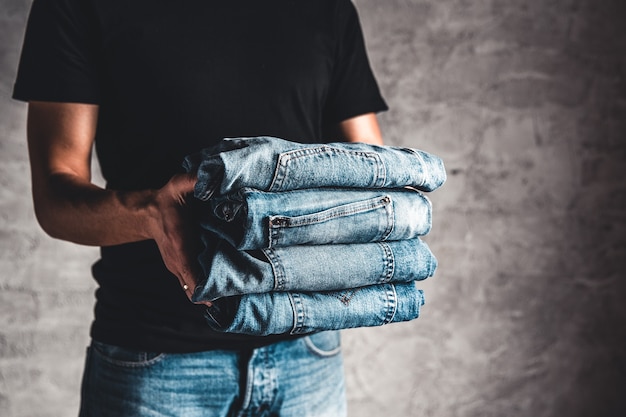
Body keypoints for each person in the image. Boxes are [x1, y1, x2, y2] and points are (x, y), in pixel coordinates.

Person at [13, 0, 388, 415]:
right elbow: (54, 198)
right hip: (156, 360)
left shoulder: (326, 9)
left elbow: (372, 172)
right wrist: (153, 215)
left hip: (307, 352)